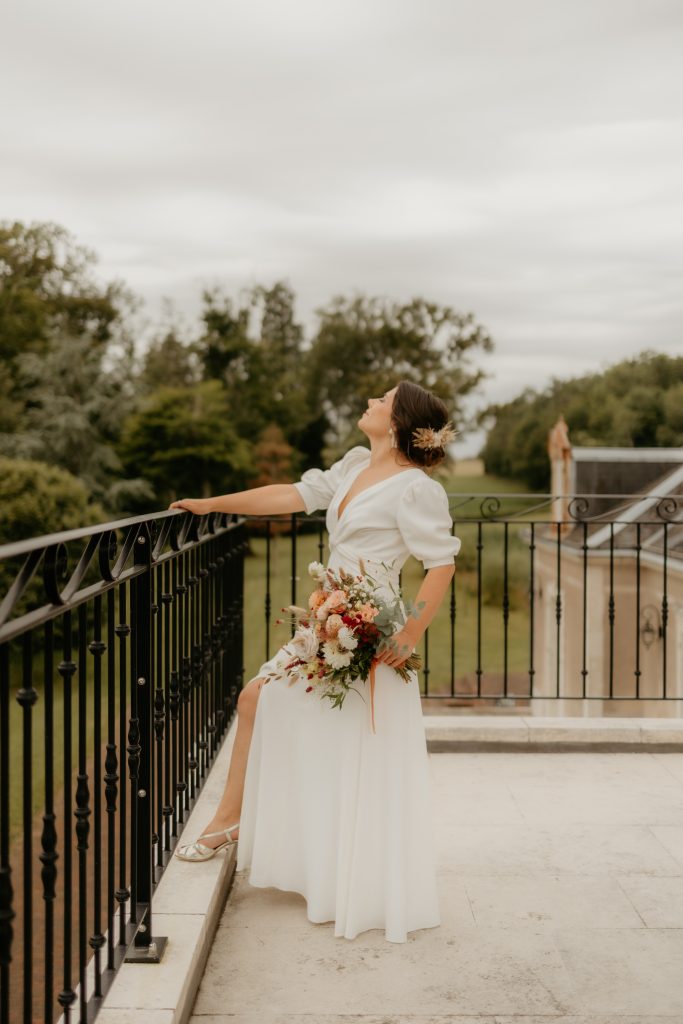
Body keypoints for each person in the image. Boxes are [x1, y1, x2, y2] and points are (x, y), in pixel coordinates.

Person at [168, 380, 461, 943]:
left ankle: (237, 826)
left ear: (397, 421)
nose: (370, 401)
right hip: (326, 619)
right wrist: (212, 504)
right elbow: (290, 495)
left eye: (383, 399)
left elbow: (440, 564)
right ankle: (246, 828)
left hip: (368, 632)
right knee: (262, 702)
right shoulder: (353, 466)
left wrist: (410, 632)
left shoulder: (416, 490)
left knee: (285, 712)